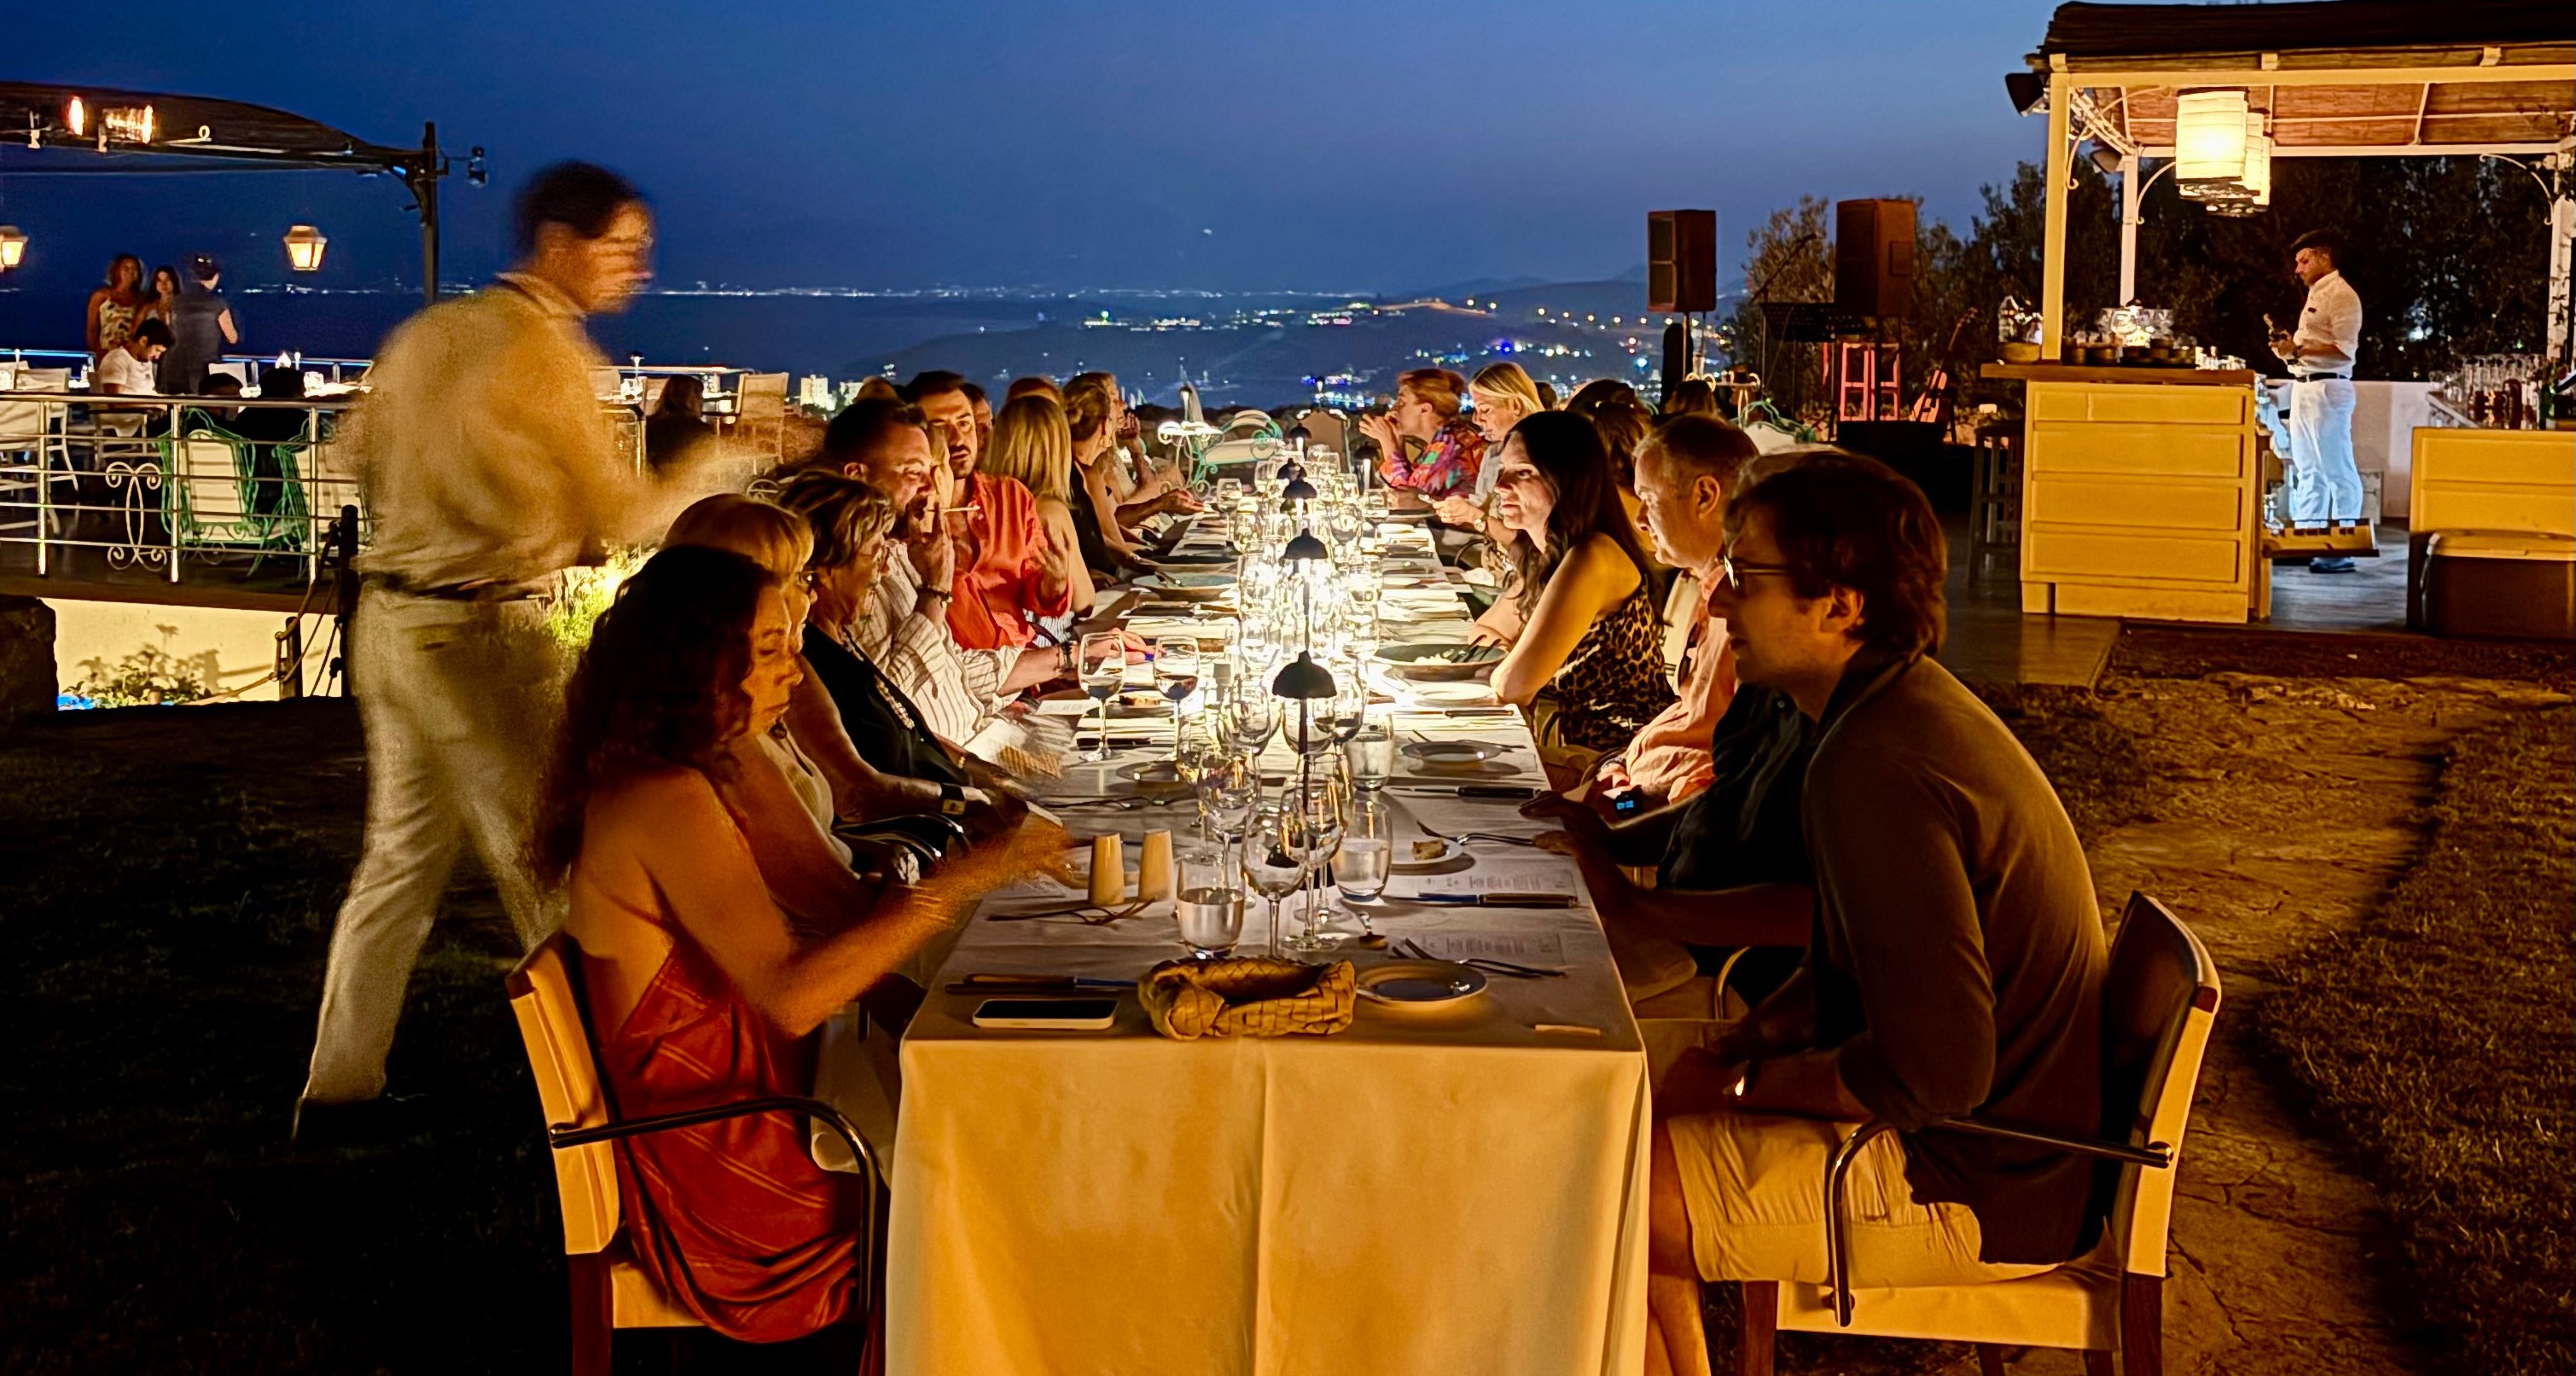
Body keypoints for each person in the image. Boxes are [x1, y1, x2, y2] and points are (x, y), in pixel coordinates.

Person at [1641, 451, 2108, 1376]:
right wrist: (1735, 1048)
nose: (1718, 601)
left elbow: (1938, 1069)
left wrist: (1742, 1089)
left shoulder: (1875, 764)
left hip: (1978, 1180)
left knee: (1601, 1179)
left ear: (1841, 604)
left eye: (1746, 575)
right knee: (1614, 1121)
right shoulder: (1891, 712)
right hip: (2005, 1152)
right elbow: (1849, 967)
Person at [536, 543, 1063, 1344]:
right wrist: (964, 881)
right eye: (768, 649)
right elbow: (790, 996)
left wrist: (939, 1009)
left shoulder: (699, 766)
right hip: (741, 1184)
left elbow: (826, 914)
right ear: (695, 663)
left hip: (774, 1109)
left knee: (1013, 1127)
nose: (794, 667)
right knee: (1011, 1184)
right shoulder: (662, 797)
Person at [296, 162, 696, 1139]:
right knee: (548, 860)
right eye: (624, 247)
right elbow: (623, 518)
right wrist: (731, 457)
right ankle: (604, 1100)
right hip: (480, 634)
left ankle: (338, 1090)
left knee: (398, 863)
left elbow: (348, 453)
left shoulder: (428, 333)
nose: (638, 268)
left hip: (391, 618)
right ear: (561, 244)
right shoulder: (548, 356)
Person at [800, 400, 1064, 741]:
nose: (930, 486)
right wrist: (935, 589)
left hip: (982, 734)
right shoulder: (842, 574)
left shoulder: (899, 550)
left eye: (932, 471)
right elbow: (888, 703)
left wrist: (1069, 658)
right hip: (953, 760)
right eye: (913, 473)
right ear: (856, 475)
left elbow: (953, 669)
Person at [1470, 412, 1674, 775]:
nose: (1500, 486)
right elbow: (1483, 633)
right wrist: (1513, 657)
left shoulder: (1592, 556)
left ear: (1568, 479)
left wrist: (1512, 662)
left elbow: (1512, 687)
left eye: (1523, 472)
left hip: (1616, 760)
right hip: (1571, 747)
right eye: (1503, 470)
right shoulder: (1547, 554)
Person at [904, 370, 1071, 650]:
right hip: (952, 668)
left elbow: (1040, 597)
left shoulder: (1011, 497)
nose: (958, 437)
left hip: (1022, 660)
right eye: (940, 426)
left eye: (965, 423)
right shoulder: (907, 520)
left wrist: (1055, 582)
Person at [2269, 228, 2365, 572]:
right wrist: (2288, 351)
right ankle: (2308, 540)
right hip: (2305, 387)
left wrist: (2298, 350)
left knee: (2337, 469)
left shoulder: (2342, 296)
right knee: (2308, 470)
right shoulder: (2317, 295)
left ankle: (2343, 547)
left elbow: (2344, 351)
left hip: (2328, 389)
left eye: (2304, 261)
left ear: (2325, 258)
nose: (2298, 269)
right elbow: (2309, 349)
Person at [982, 392, 1099, 621]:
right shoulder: (1049, 511)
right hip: (1043, 635)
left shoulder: (986, 507)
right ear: (1057, 449)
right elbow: (1084, 601)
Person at [1431, 361, 1547, 535]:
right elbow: (1482, 508)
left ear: (1515, 406)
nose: (1476, 420)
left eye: (1485, 410)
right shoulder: (1493, 452)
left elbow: (1525, 541)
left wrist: (1474, 516)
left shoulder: (1542, 456)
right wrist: (1459, 509)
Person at [1358, 368, 1484, 505]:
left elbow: (1407, 499)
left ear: (1425, 409)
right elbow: (1411, 483)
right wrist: (1396, 438)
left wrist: (1387, 439)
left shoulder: (1451, 448)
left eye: (1402, 402)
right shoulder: (1445, 440)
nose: (1394, 409)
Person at [159, 254, 240, 395]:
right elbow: (232, 337)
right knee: (201, 403)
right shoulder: (218, 304)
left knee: (174, 404)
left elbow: (167, 329)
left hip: (173, 365)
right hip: (203, 367)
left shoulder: (174, 302)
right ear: (215, 277)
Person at [644, 373, 717, 472]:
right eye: (699, 395)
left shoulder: (649, 425)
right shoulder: (698, 429)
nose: (702, 401)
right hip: (686, 479)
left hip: (652, 478)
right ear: (691, 398)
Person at [84, 253, 148, 363]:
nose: (130, 271)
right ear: (117, 271)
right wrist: (95, 352)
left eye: (134, 268)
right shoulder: (101, 296)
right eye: (126, 268)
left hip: (130, 356)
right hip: (106, 352)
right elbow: (91, 328)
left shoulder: (140, 300)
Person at [95, 318, 169, 395]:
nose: (157, 357)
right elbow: (115, 399)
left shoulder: (146, 362)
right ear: (143, 341)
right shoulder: (116, 360)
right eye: (157, 350)